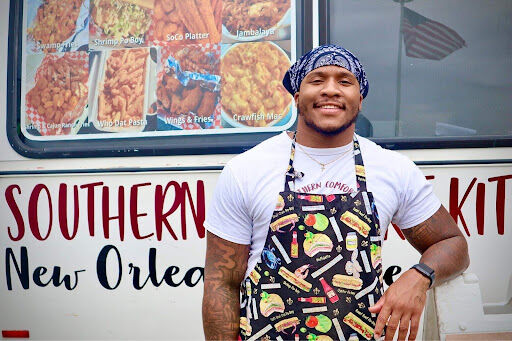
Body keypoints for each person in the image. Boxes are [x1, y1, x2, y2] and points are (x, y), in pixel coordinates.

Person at [202, 44, 469, 341]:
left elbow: (453, 243)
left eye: (344, 81)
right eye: (317, 80)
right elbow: (221, 281)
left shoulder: (393, 169)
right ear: (297, 95)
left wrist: (419, 276)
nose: (330, 89)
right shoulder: (247, 169)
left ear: (360, 98)